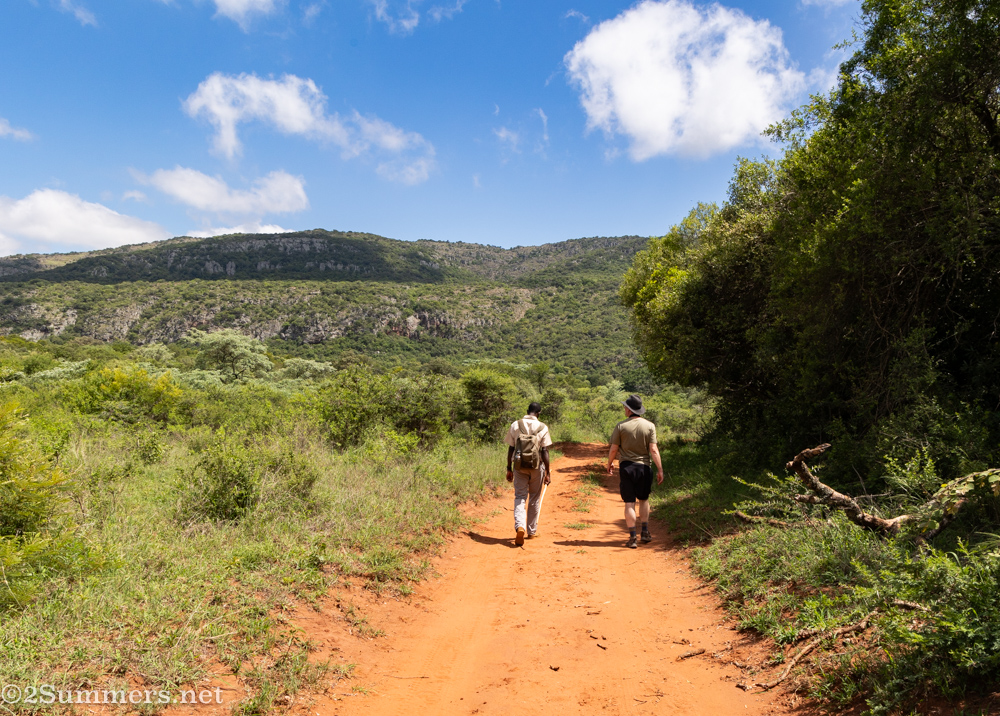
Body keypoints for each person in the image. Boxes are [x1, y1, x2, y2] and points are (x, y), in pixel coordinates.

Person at [606, 394, 664, 549]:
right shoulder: (650, 426)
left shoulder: (621, 426)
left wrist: (609, 463)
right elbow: (653, 449)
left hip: (627, 467)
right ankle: (645, 532)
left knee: (629, 502)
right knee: (644, 500)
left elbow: (614, 449)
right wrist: (660, 469)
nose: (624, 409)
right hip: (644, 467)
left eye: (625, 407)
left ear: (629, 409)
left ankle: (632, 538)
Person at [505, 402, 553, 546]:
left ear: (527, 411)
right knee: (534, 498)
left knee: (520, 496)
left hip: (519, 466)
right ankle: (531, 532)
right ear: (539, 413)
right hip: (537, 467)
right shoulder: (543, 427)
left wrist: (509, 467)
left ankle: (520, 526)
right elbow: (544, 451)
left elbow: (511, 448)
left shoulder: (515, 425)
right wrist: (548, 472)